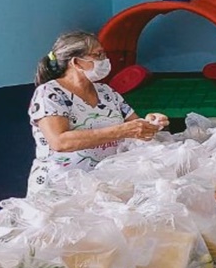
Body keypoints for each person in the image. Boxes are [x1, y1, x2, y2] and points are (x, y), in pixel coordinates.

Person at [27, 31, 169, 195]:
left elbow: (134, 127)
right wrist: (121, 131)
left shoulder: (106, 92)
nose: (105, 60)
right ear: (76, 62)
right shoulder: (50, 93)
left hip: (103, 186)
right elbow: (60, 142)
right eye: (98, 55)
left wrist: (151, 123)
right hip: (61, 189)